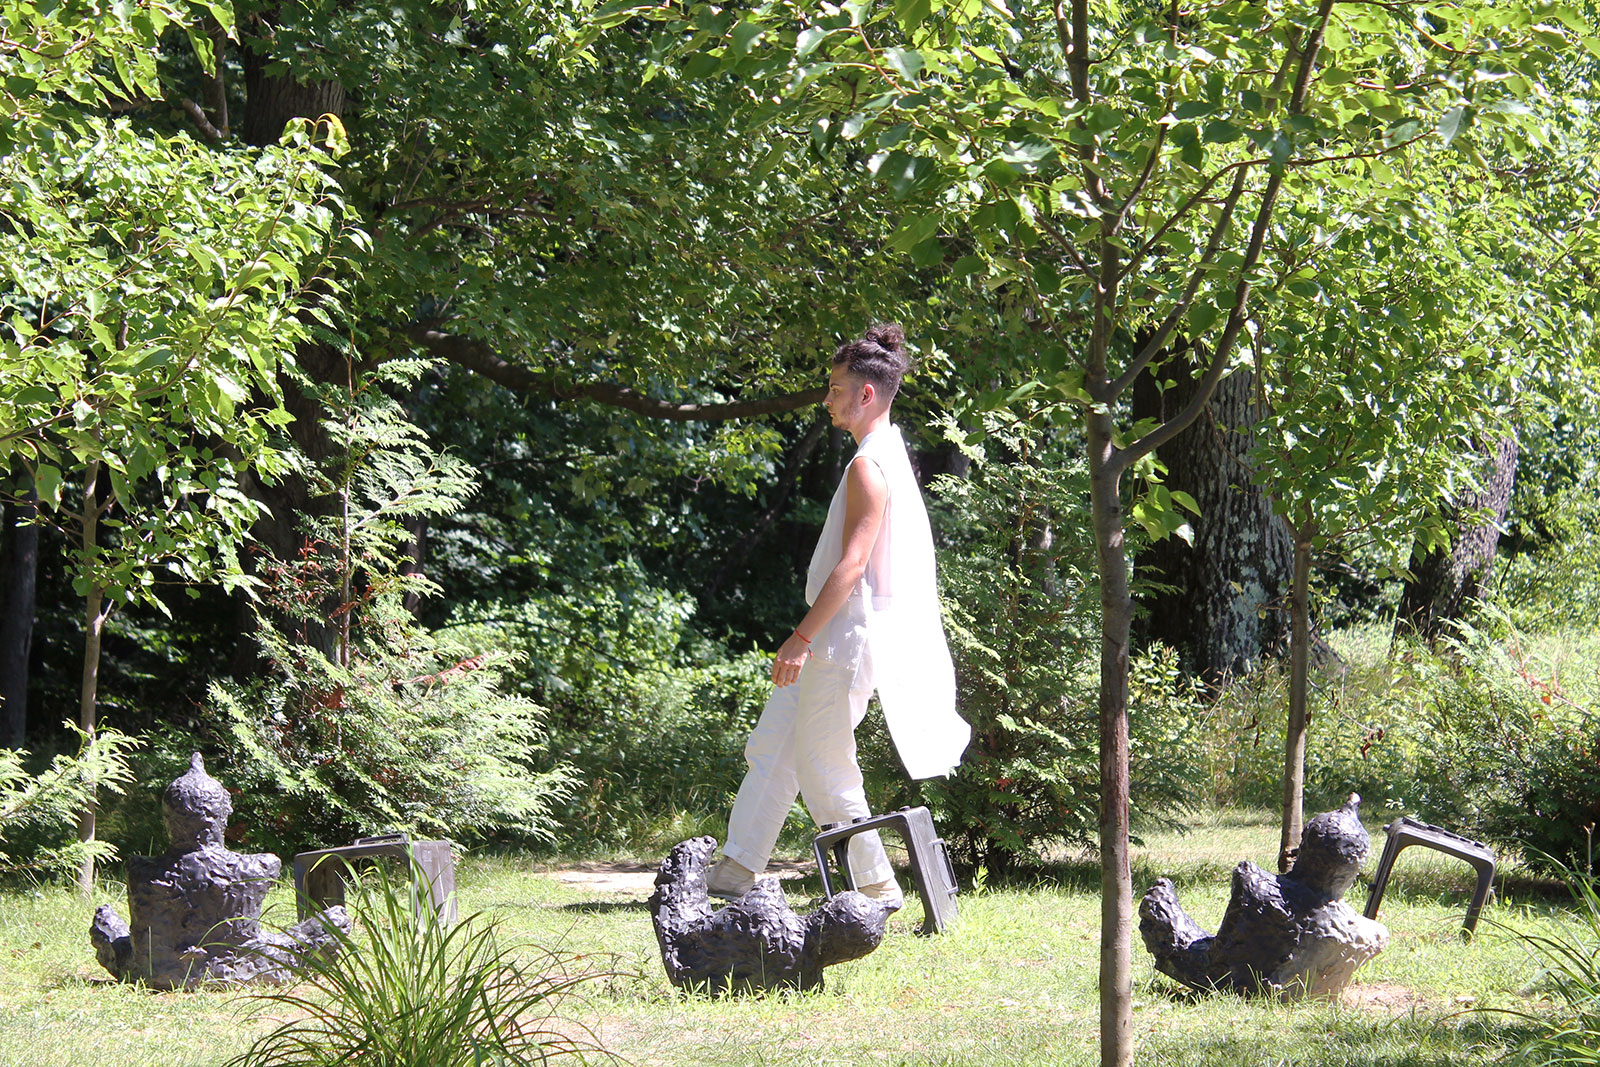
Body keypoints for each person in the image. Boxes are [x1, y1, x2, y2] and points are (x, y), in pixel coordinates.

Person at [706, 323, 971, 908]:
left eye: (835, 389)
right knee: (773, 745)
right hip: (837, 633)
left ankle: (877, 886)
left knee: (824, 765)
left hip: (842, 638)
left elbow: (852, 567)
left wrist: (800, 638)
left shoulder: (870, 466)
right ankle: (734, 871)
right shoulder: (885, 454)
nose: (826, 399)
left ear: (866, 394)